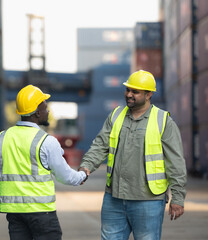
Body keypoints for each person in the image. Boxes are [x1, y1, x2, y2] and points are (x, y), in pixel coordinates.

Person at [79, 70, 187, 240]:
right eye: (127, 90)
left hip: (148, 201)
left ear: (149, 94)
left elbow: (175, 162)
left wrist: (178, 198)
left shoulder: (163, 121)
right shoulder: (116, 116)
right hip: (113, 198)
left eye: (135, 92)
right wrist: (86, 166)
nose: (129, 94)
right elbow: (99, 146)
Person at [0, 84, 89, 240]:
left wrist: (11, 202)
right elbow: (65, 176)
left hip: (14, 214)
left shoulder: (2, 138)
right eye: (45, 107)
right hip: (42, 214)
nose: (48, 111)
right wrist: (82, 175)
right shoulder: (46, 141)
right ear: (37, 113)